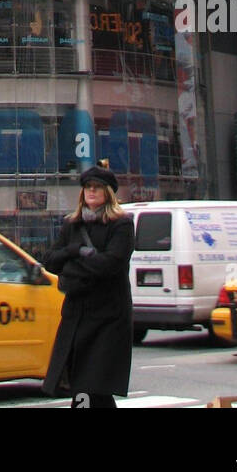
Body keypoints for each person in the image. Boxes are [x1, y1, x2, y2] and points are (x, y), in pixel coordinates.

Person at [41, 164, 135, 408]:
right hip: (77, 316)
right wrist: (75, 250)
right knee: (85, 387)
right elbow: (50, 260)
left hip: (108, 319)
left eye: (97, 188)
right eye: (87, 187)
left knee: (92, 385)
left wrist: (71, 267)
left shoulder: (121, 225)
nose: (91, 192)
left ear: (108, 193)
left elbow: (110, 264)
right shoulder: (72, 224)